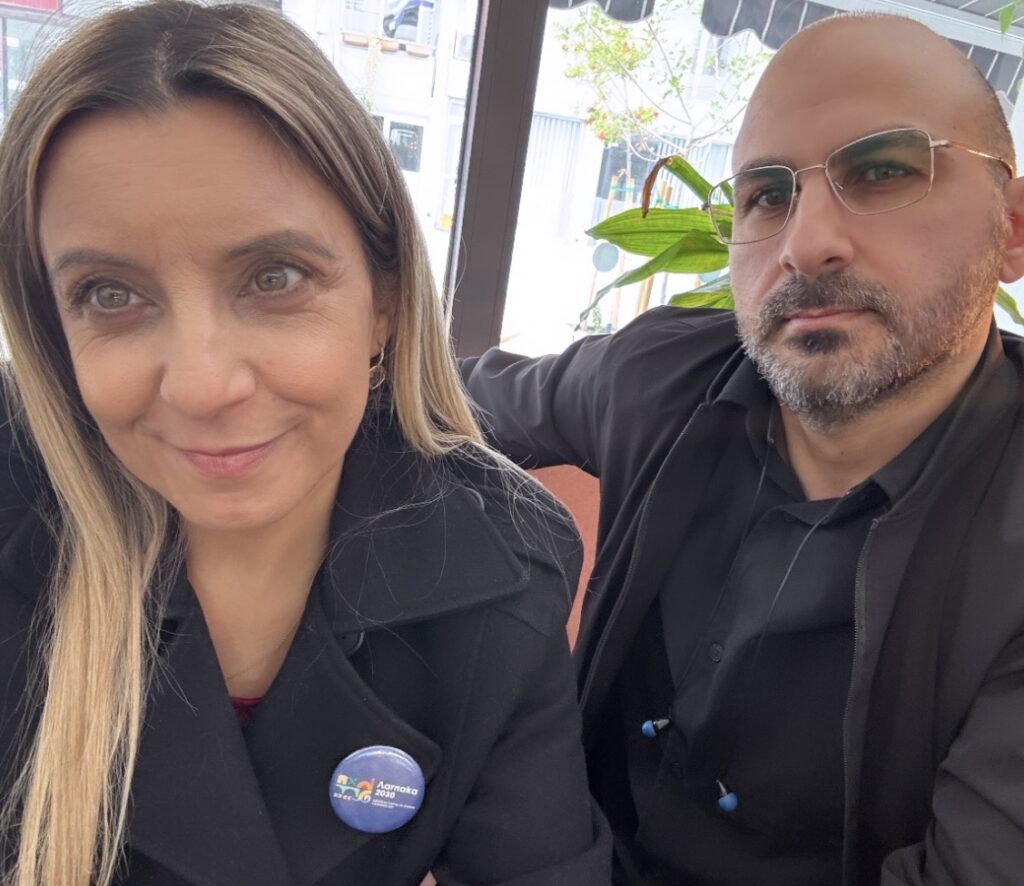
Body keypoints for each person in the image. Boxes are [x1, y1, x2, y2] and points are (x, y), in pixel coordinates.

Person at [0, 2, 611, 884]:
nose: (203, 384)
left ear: (384, 300)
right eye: (109, 294)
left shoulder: (501, 566)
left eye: (275, 278)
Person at [463, 13, 1024, 886]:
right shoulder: (663, 378)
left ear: (1012, 228)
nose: (806, 244)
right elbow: (452, 403)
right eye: (767, 195)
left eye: (882, 171)